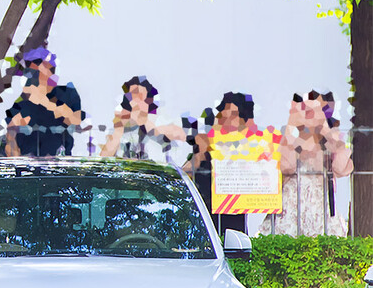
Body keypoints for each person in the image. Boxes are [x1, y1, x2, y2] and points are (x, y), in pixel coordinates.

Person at [266, 91, 352, 236]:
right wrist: (292, 125)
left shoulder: (330, 140)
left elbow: (341, 168)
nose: (312, 114)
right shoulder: (292, 138)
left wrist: (326, 130)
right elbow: (287, 167)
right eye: (307, 109)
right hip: (291, 207)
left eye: (319, 109)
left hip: (320, 209)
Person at [188, 92, 258, 236]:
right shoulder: (206, 146)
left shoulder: (248, 150)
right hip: (205, 222)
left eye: (233, 116)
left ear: (243, 121)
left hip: (234, 224)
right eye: (223, 115)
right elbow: (185, 175)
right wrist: (199, 153)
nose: (227, 121)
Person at [4, 47, 84, 156]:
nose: (34, 77)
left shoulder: (67, 93)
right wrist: (12, 132)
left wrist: (45, 100)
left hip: (58, 160)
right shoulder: (21, 104)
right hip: (28, 162)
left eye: (38, 72)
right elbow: (11, 142)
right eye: (31, 72)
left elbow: (75, 119)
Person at [99, 76, 189, 165]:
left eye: (138, 94)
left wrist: (143, 121)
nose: (135, 99)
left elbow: (181, 135)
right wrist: (119, 129)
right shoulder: (124, 127)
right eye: (131, 96)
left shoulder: (160, 120)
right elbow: (103, 160)